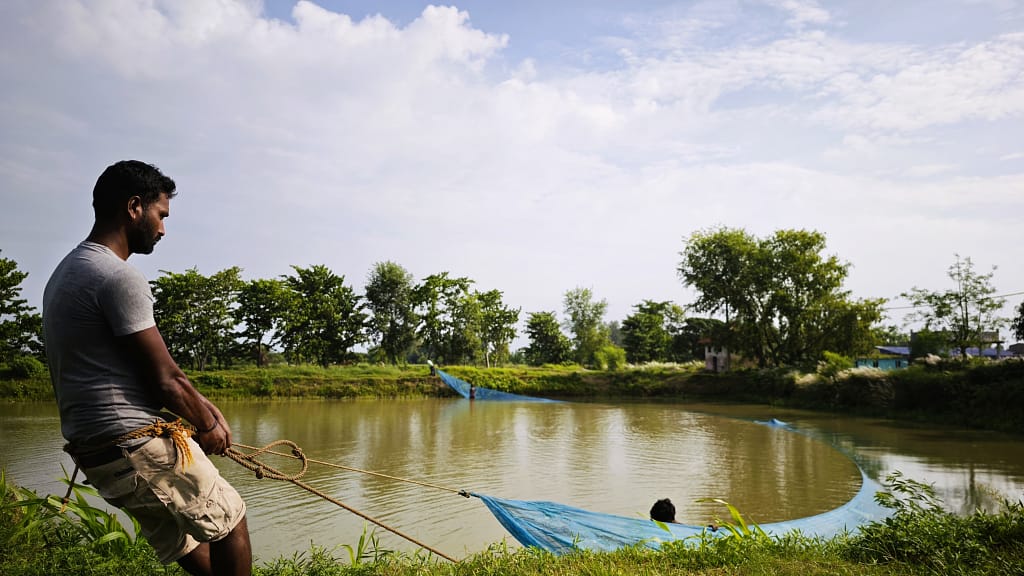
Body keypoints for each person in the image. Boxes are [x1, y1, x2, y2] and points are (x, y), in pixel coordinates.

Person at [42, 160, 252, 576]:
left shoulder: (66, 272)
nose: (162, 229)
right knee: (231, 521)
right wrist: (208, 424)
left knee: (187, 540)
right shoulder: (118, 276)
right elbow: (166, 378)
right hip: (132, 443)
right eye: (161, 215)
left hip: (97, 450)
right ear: (134, 207)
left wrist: (201, 412)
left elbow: (140, 374)